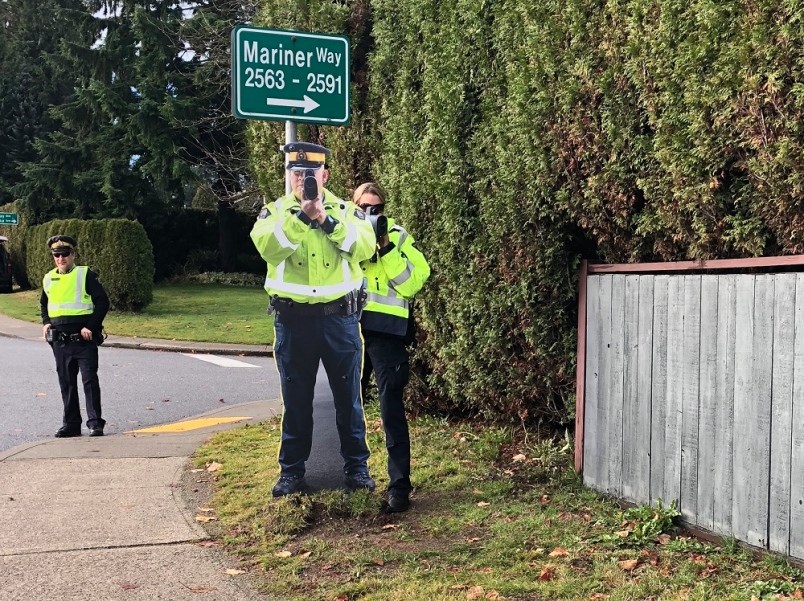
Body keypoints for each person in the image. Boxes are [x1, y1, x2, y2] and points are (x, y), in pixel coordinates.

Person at [250, 142, 378, 497]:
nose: (302, 180)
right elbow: (270, 248)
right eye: (296, 173)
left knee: (349, 401)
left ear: (325, 175)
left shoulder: (348, 212)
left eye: (310, 174)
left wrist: (324, 219)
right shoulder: (274, 212)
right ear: (288, 176)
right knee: (296, 401)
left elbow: (364, 248)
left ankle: (357, 469)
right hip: (293, 323)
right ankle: (291, 473)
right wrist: (304, 217)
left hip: (340, 321)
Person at [354, 182, 430, 513]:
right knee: (345, 407)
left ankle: (399, 486)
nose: (371, 214)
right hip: (349, 328)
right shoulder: (343, 233)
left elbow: (413, 282)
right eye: (364, 208)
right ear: (353, 206)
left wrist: (385, 246)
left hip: (387, 331)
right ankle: (352, 478)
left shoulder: (398, 236)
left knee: (391, 409)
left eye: (377, 209)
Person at [40, 235, 110, 437]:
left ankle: (95, 423)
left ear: (73, 255)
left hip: (84, 339)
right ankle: (71, 424)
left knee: (89, 381)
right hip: (60, 341)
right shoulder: (48, 278)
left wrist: (91, 326)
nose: (61, 258)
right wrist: (46, 322)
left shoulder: (84, 274)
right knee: (67, 383)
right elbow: (44, 303)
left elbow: (102, 302)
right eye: (57, 255)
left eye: (65, 254)